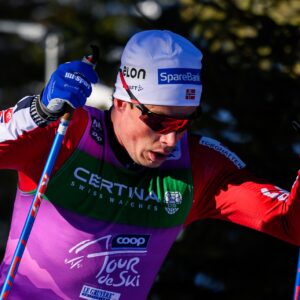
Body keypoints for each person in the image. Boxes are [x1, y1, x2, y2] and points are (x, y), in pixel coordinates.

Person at [0, 29, 299, 300]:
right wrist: (35, 112)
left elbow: (290, 223)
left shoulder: (198, 167)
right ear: (121, 101)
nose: (171, 141)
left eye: (184, 123)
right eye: (159, 121)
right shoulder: (67, 133)